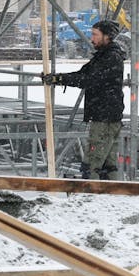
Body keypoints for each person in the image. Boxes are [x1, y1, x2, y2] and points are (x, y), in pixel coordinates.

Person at [43, 19, 126, 180]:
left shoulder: (110, 58)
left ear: (107, 36)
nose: (92, 38)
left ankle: (93, 192)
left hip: (105, 117)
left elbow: (88, 79)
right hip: (105, 115)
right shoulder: (102, 56)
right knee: (107, 164)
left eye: (95, 35)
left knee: (93, 162)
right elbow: (83, 74)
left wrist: (60, 79)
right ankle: (110, 192)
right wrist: (58, 78)